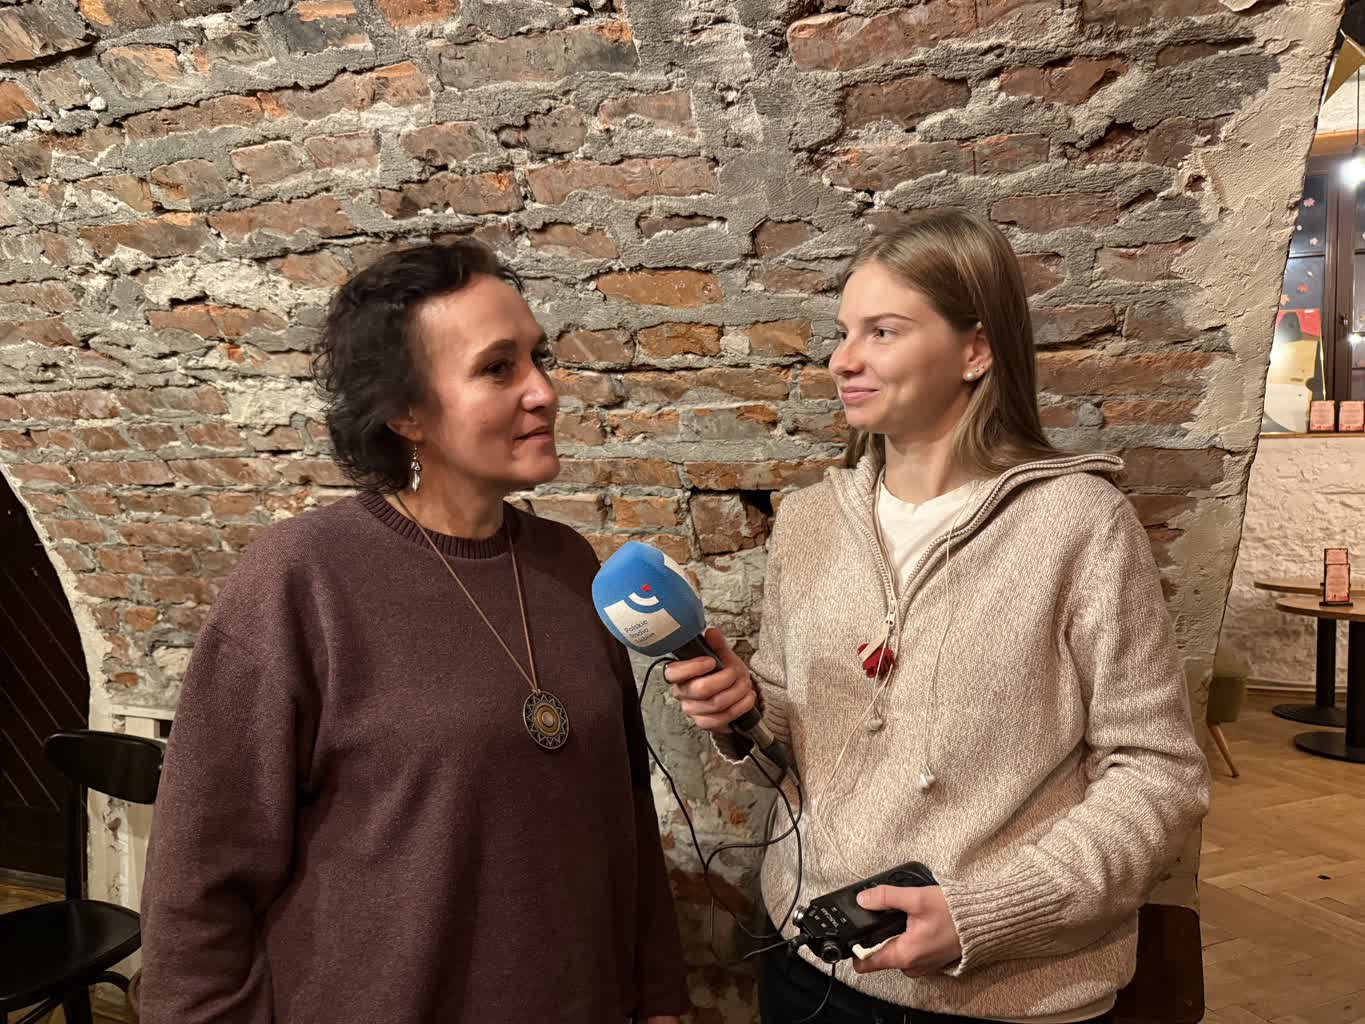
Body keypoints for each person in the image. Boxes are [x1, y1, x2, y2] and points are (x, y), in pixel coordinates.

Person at [666, 209, 1210, 1023]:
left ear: (975, 350)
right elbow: (795, 740)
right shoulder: (808, 521)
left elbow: (1158, 776)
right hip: (809, 959)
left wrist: (984, 912)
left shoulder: (1079, 525)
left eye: (881, 331)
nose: (842, 359)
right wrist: (745, 710)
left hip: (1002, 993)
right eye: (842, 332)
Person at [139, 240, 688, 1024]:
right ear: (404, 413)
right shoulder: (302, 578)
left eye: (538, 357)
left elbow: (624, 811)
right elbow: (200, 870)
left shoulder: (570, 566)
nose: (543, 391)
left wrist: (658, 995)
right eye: (497, 369)